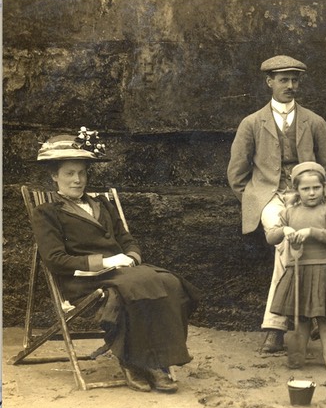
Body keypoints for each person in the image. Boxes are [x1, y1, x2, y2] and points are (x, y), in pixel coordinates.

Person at [29, 129, 201, 393]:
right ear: (55, 176)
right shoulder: (47, 213)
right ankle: (135, 362)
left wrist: (130, 257)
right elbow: (55, 259)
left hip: (122, 272)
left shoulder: (103, 205)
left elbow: (127, 239)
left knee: (169, 282)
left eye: (82, 173)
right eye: (69, 173)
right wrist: (105, 262)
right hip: (84, 280)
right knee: (138, 286)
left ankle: (156, 361)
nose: (77, 180)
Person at [227, 55, 326, 353]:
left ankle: (275, 328)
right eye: (283, 80)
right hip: (269, 198)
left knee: (288, 241)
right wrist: (254, 201)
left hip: (307, 199)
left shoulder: (314, 122)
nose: (290, 86)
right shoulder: (251, 123)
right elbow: (236, 175)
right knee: (286, 234)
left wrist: (318, 199)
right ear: (269, 82)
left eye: (295, 80)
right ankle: (311, 316)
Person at [266, 162, 326, 371]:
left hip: (324, 267)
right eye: (305, 189)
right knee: (303, 316)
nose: (311, 193)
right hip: (299, 269)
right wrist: (285, 230)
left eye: (316, 187)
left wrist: (311, 231)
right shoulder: (289, 213)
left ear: (323, 187)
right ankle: (300, 354)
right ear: (296, 190)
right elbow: (271, 236)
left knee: (324, 317)